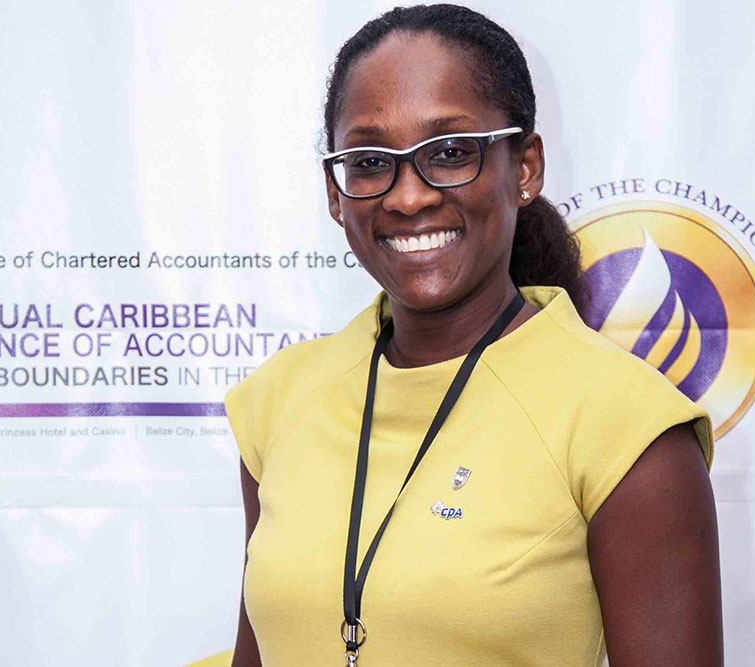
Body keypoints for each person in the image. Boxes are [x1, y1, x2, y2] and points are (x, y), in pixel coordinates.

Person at [226, 4, 722, 665]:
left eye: (450, 152)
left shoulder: (627, 426)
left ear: (526, 168)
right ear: (336, 193)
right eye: (370, 160)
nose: (408, 196)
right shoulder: (278, 399)